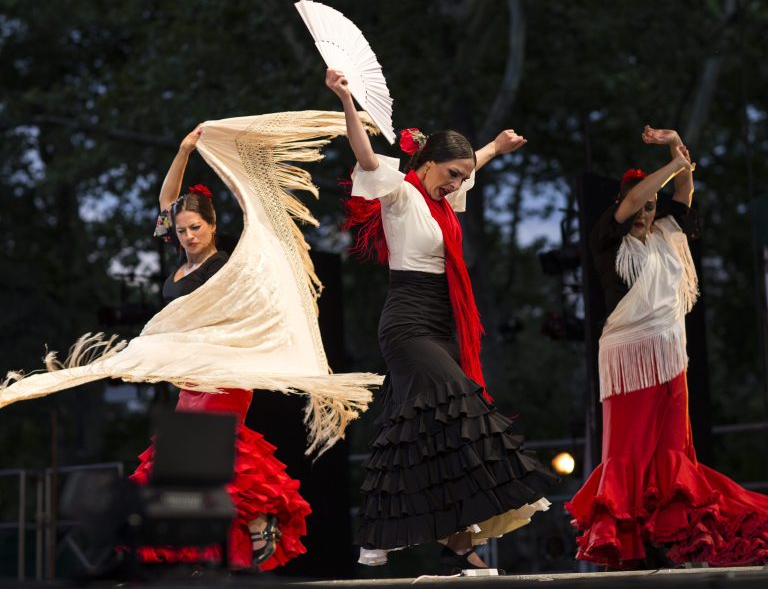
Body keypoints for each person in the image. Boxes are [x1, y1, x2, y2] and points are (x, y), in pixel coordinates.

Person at [326, 68, 556, 573]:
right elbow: (365, 157)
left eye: (463, 176)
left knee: (428, 430)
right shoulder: (403, 196)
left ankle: (447, 541)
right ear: (425, 163)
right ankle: (411, 534)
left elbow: (473, 169)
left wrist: (493, 147)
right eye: (451, 173)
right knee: (459, 406)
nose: (457, 182)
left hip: (442, 322)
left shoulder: (442, 202)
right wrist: (346, 98)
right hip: (407, 322)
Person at [566, 126, 768, 568]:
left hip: (671, 354)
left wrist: (679, 148)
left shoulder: (666, 235)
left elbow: (683, 192)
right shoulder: (608, 238)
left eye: (652, 208)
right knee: (626, 450)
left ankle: (679, 533)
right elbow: (637, 199)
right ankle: (623, 539)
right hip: (628, 357)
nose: (644, 213)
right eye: (639, 205)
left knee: (672, 449)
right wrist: (672, 165)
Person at [129, 128, 312, 572]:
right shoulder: (181, 261)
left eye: (196, 228)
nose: (188, 235)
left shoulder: (225, 266)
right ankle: (208, 551)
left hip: (224, 373)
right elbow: (166, 200)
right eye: (183, 229)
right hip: (191, 378)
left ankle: (257, 519)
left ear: (212, 226)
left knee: (211, 451)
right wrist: (184, 149)